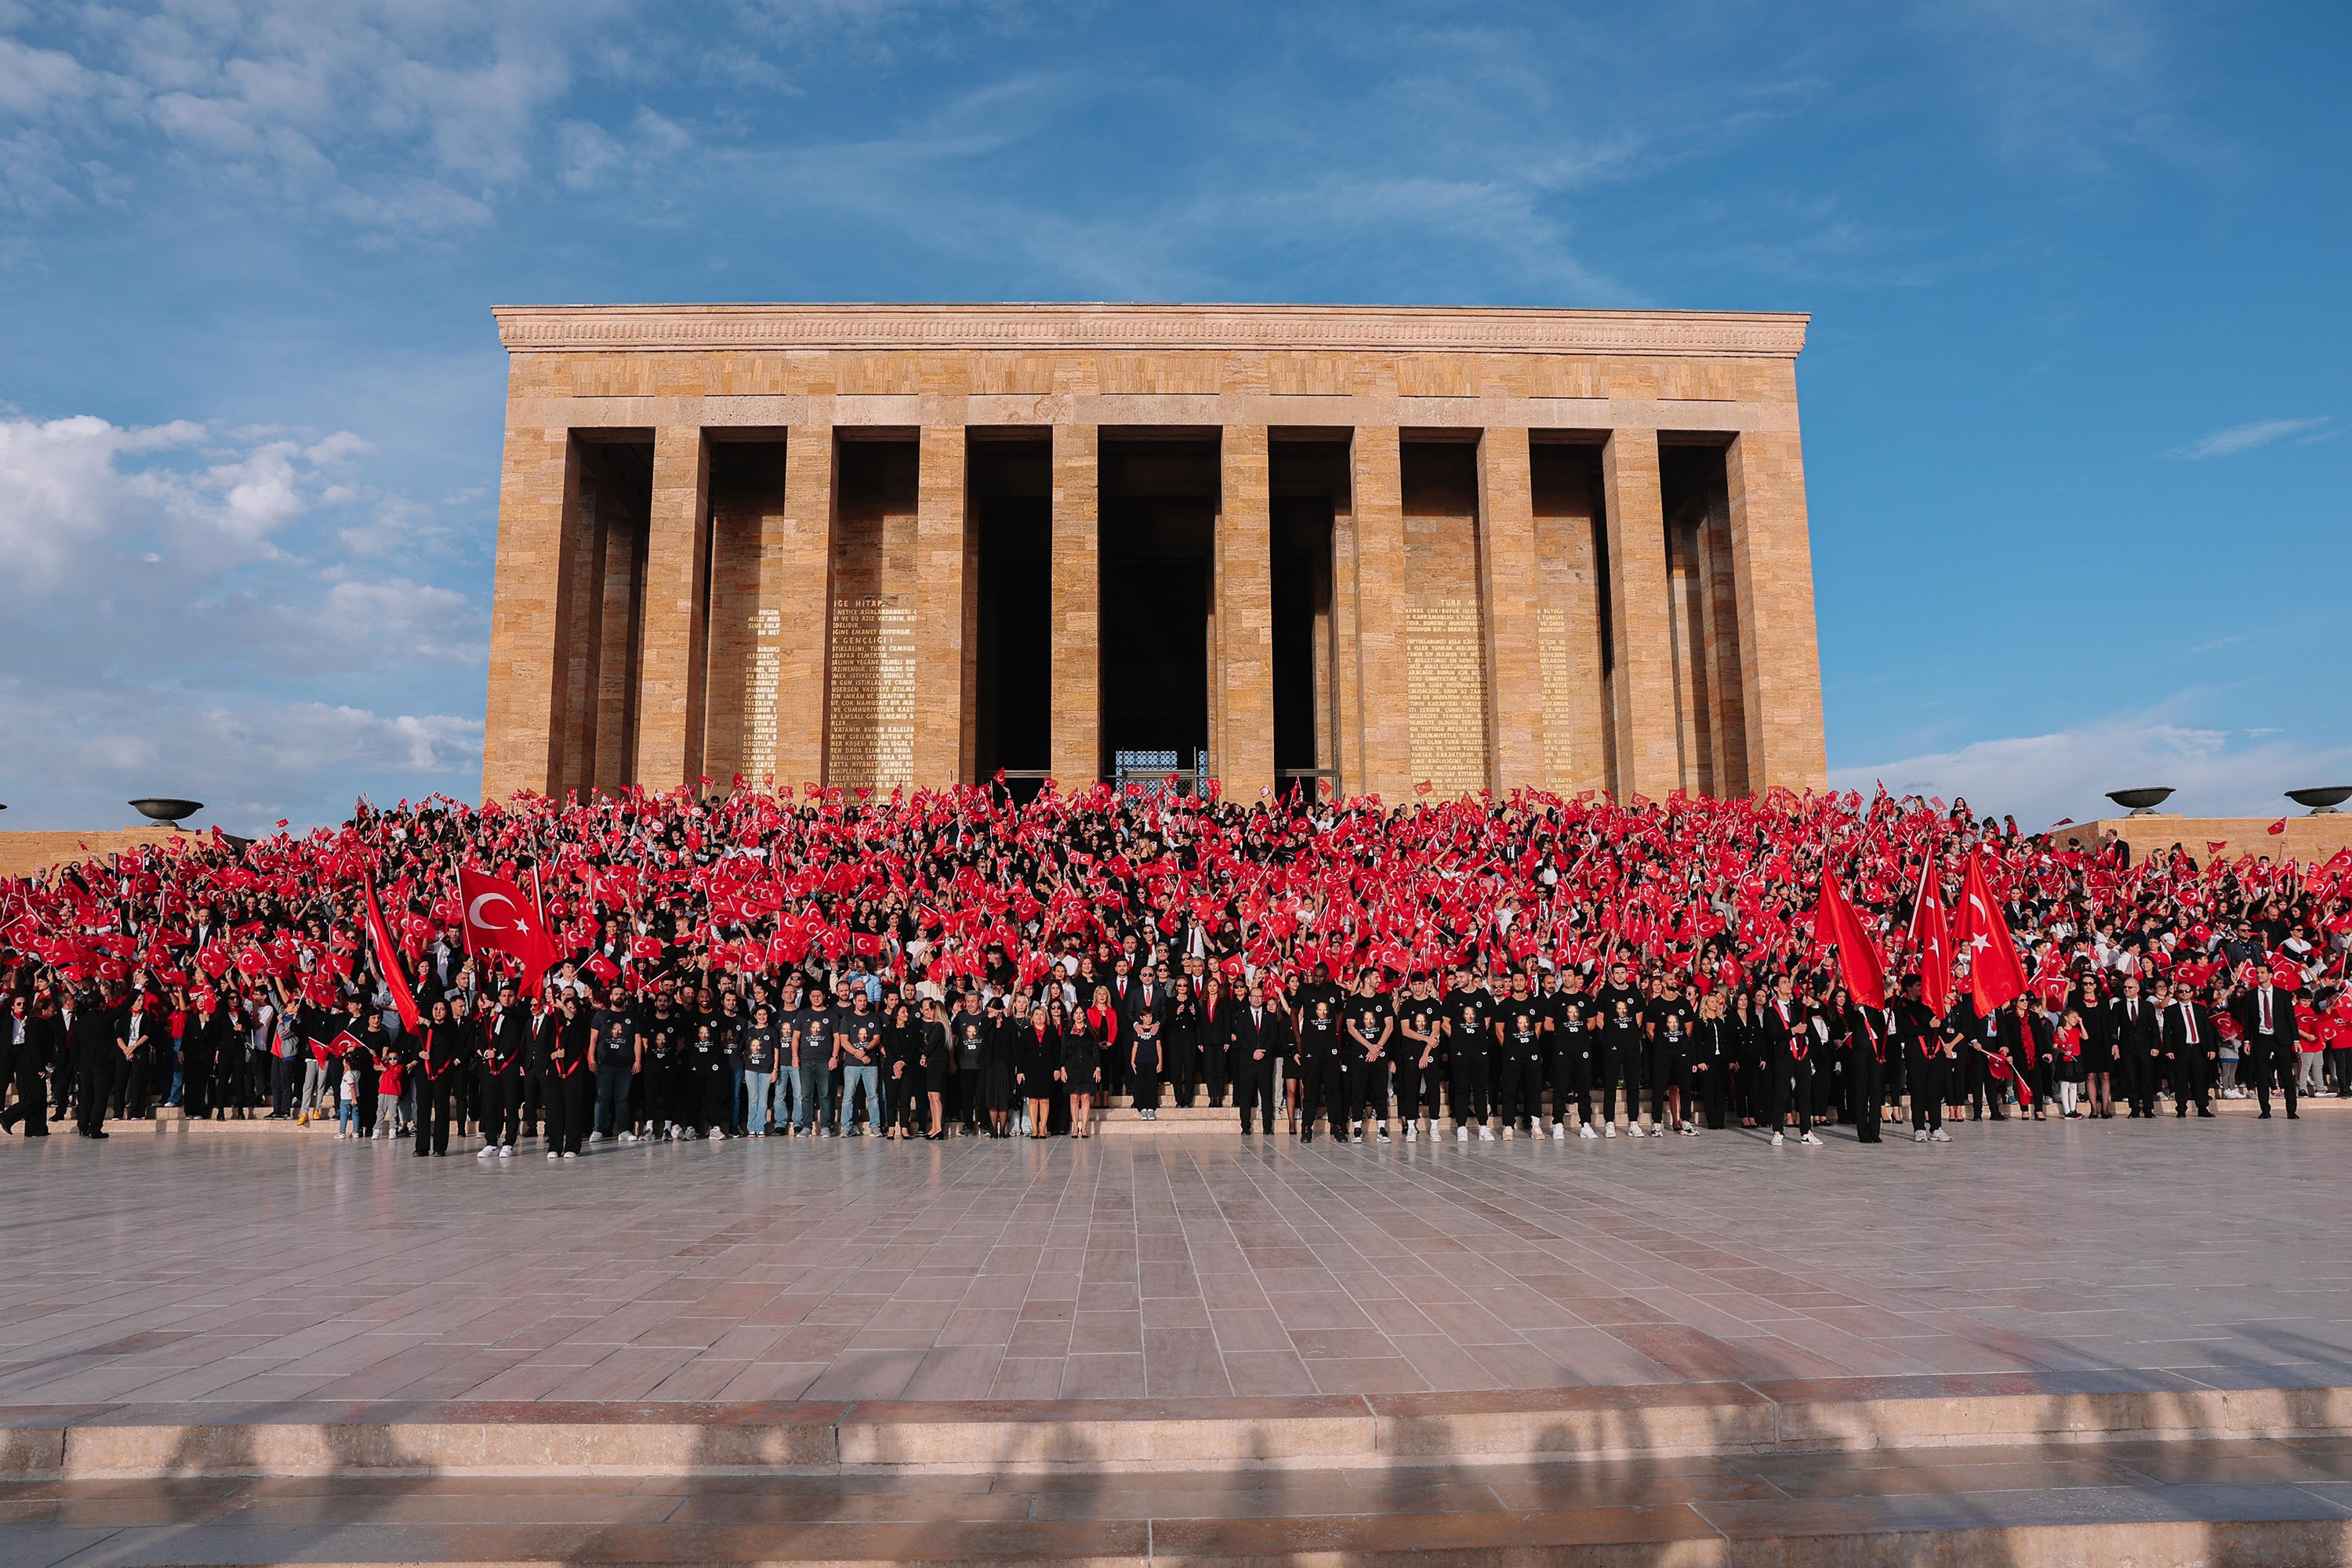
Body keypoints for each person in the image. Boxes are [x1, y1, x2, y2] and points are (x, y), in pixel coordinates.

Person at [2236, 968, 2299, 1120]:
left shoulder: (2283, 994)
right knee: (2262, 1075)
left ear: (2270, 975)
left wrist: (2296, 1040)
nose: (2259, 975)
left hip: (2281, 1039)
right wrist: (2246, 1040)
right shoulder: (2251, 996)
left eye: (2263, 972)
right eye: (2257, 973)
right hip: (2261, 1038)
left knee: (2287, 1076)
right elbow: (2249, 1020)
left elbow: (2291, 1019)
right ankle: (2265, 1110)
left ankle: (2291, 1110)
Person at [1129, 1004, 1163, 1120]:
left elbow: (1159, 1046)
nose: (1149, 1019)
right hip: (1140, 1061)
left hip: (1152, 1061)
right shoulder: (1138, 1030)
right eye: (1146, 1016)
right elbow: (1135, 1046)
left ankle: (1151, 1108)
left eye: (1150, 1016)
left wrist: (1160, 1062)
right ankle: (1142, 1108)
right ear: (1141, 1017)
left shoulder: (1155, 1030)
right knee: (1140, 1085)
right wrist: (1132, 1060)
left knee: (1152, 1085)